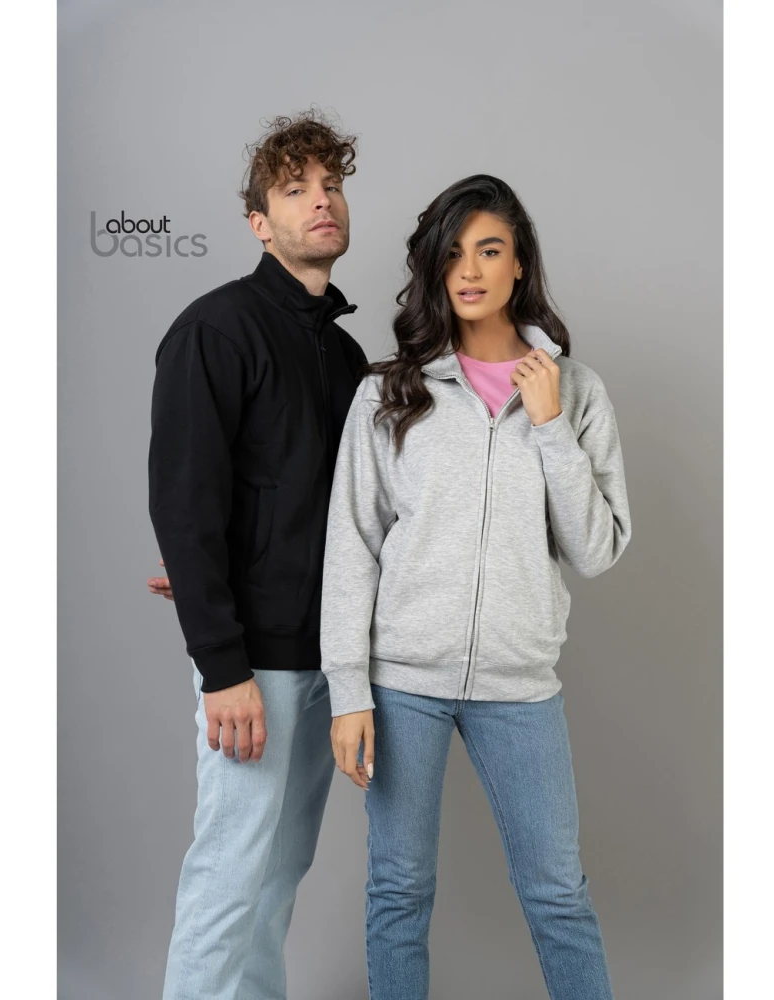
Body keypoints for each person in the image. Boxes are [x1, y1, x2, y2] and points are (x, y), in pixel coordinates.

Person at [320, 174, 631, 1000]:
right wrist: (348, 690)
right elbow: (351, 548)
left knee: (558, 894)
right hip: (402, 684)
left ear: (519, 263)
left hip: (519, 685)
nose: (469, 270)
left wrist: (551, 426)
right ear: (434, 265)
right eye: (452, 252)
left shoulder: (575, 390)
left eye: (489, 250)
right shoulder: (390, 392)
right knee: (398, 890)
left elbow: (597, 549)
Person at [147, 112, 367, 1000]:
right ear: (259, 223)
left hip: (329, 659)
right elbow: (184, 500)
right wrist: (221, 663)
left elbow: (345, 513)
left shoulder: (346, 356)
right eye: (295, 188)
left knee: (276, 881)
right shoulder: (216, 329)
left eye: (331, 185)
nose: (321, 200)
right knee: (229, 877)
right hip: (254, 668)